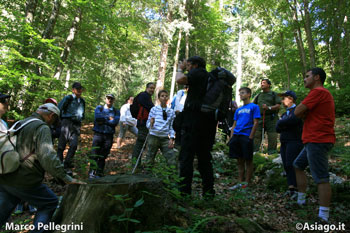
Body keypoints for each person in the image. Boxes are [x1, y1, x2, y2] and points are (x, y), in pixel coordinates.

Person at [0, 103, 84, 232]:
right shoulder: (41, 127)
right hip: (24, 180)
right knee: (49, 202)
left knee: (6, 205)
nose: (53, 123)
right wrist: (65, 177)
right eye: (55, 120)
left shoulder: (22, 122)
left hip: (6, 175)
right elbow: (48, 157)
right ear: (51, 116)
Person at [293, 68, 335, 222]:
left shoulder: (319, 92)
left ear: (317, 77)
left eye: (307, 76)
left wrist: (302, 111)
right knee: (298, 165)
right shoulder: (319, 94)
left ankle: (323, 216)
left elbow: (297, 112)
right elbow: (302, 112)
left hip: (319, 139)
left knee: (321, 177)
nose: (304, 79)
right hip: (313, 139)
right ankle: (301, 200)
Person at [176, 56, 217, 197]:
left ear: (195, 65)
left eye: (188, 65)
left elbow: (180, 79)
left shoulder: (197, 72)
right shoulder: (209, 77)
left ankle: (184, 193)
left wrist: (179, 69)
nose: (187, 67)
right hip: (207, 124)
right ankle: (209, 192)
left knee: (187, 157)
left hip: (193, 123)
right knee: (204, 158)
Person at [228, 87, 260, 189]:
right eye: (239, 93)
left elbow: (255, 122)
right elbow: (234, 124)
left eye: (242, 93)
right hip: (236, 136)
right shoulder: (238, 110)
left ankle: (246, 183)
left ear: (249, 94)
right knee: (239, 160)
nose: (240, 95)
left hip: (246, 136)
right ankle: (240, 182)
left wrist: (250, 137)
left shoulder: (254, 107)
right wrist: (231, 137)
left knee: (248, 160)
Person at [276, 91, 303, 199]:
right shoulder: (284, 114)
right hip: (284, 142)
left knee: (292, 163)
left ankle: (296, 189)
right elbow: (277, 128)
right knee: (286, 165)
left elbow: (293, 121)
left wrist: (283, 123)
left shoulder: (297, 111)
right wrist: (283, 123)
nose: (282, 101)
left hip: (295, 141)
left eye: (284, 99)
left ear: (290, 99)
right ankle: (291, 188)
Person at [89, 94, 120, 178]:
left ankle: (99, 172)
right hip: (98, 134)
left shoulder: (116, 111)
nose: (109, 100)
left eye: (111, 99)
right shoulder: (99, 108)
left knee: (103, 155)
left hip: (109, 135)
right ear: (105, 99)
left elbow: (115, 122)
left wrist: (105, 120)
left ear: (113, 100)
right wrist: (109, 119)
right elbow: (98, 118)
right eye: (108, 98)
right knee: (94, 153)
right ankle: (92, 172)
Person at [57, 82, 85, 169]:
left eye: (80, 89)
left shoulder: (82, 101)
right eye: (77, 89)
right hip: (66, 122)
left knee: (74, 145)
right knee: (61, 145)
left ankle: (67, 164)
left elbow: (82, 113)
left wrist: (81, 118)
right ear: (73, 90)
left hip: (76, 125)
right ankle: (59, 164)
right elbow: (59, 108)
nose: (79, 90)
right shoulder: (68, 98)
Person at [145, 90, 176, 167]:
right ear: (159, 98)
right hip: (153, 136)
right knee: (150, 157)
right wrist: (151, 123)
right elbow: (148, 125)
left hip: (165, 137)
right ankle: (147, 175)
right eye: (162, 96)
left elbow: (172, 126)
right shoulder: (154, 109)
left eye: (166, 96)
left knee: (171, 157)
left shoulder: (171, 111)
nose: (164, 97)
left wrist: (171, 138)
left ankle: (172, 175)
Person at [253, 78, 281, 154]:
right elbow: (254, 105)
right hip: (260, 118)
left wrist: (269, 107)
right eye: (261, 83)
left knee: (272, 135)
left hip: (271, 118)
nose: (262, 84)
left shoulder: (274, 94)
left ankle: (272, 152)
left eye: (264, 83)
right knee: (257, 134)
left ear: (269, 85)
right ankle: (255, 152)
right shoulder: (259, 95)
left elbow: (278, 105)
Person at [131, 82, 155, 168]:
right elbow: (151, 108)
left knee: (141, 143)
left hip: (144, 123)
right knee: (140, 143)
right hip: (143, 123)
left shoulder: (147, 97)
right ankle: (135, 164)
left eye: (153, 88)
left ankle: (137, 163)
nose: (152, 90)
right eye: (151, 88)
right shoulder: (143, 96)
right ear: (147, 88)